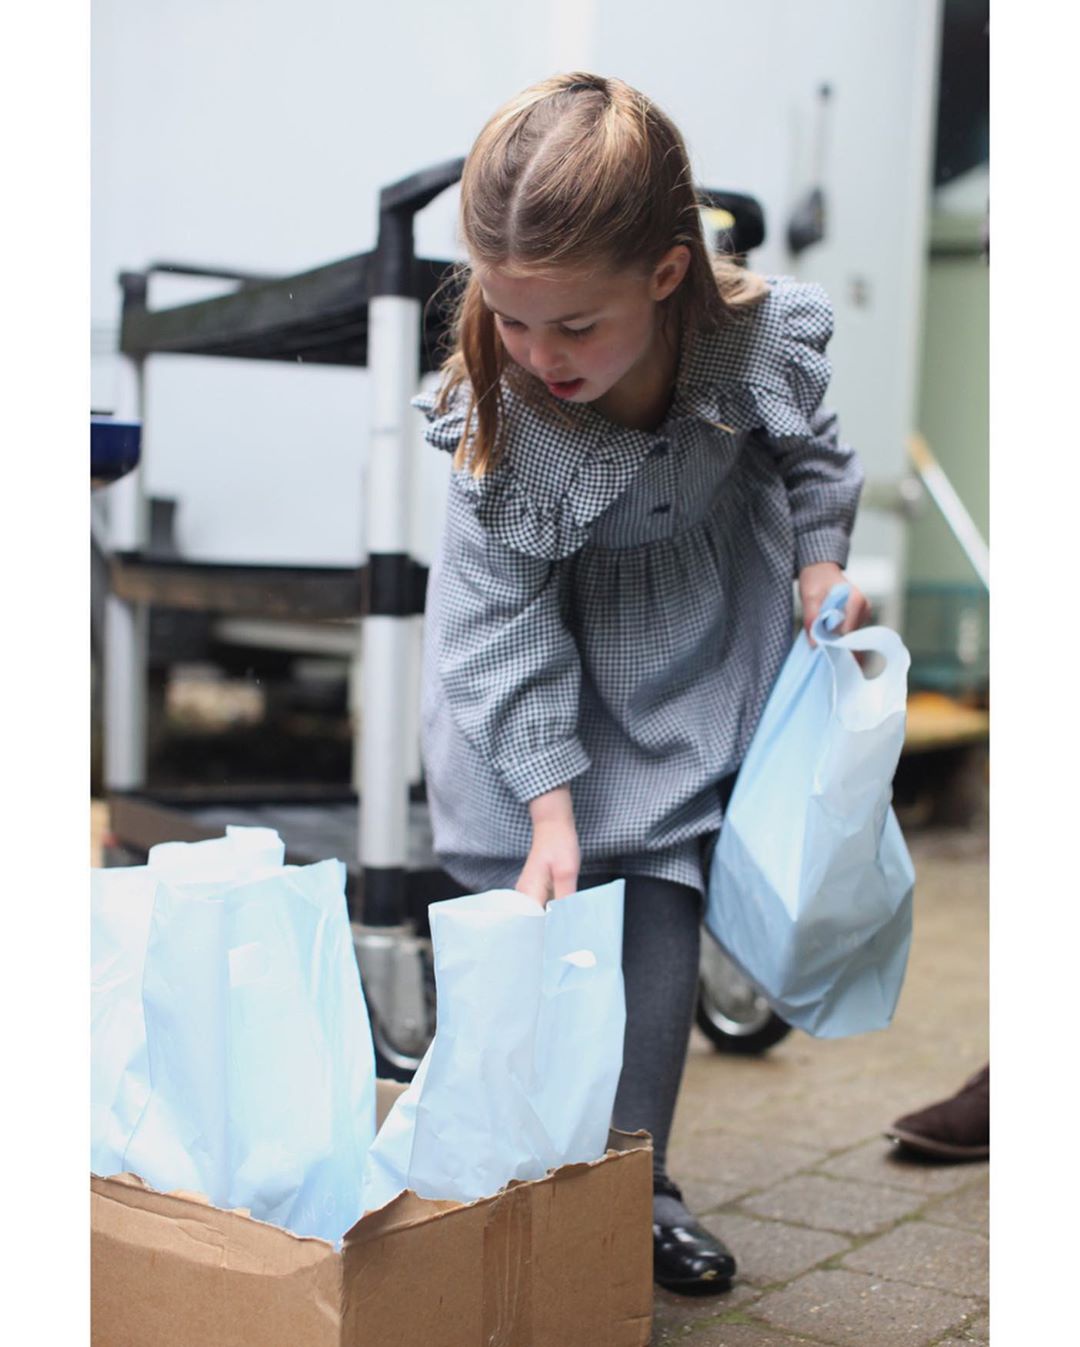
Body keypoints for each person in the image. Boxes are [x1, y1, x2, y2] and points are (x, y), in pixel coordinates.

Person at [415, 72, 870, 1295]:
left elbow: (814, 446)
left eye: (574, 326)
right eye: (513, 319)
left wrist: (821, 558)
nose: (539, 354)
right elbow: (498, 629)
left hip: (679, 685)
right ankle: (489, 1194)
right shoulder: (501, 418)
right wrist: (549, 808)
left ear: (668, 274)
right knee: (525, 940)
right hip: (524, 710)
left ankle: (637, 1185)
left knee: (654, 928)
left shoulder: (744, 341)